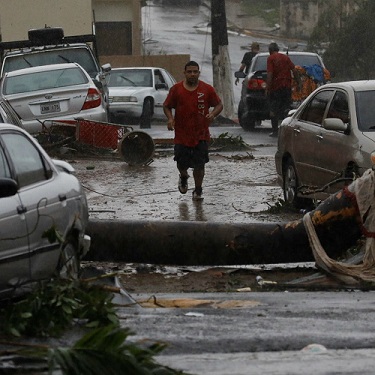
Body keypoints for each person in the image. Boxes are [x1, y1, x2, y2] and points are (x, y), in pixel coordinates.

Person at [163, 61, 223, 201]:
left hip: (201, 133)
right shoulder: (176, 89)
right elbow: (167, 106)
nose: (192, 74)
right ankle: (183, 176)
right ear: (184, 73)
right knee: (181, 162)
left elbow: (219, 104)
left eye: (195, 72)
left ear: (198, 73)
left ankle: (198, 190)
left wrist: (213, 114)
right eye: (189, 72)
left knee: (199, 164)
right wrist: (170, 118)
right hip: (182, 134)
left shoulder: (207, 89)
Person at [265, 42, 300, 137]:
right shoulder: (286, 57)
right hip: (287, 87)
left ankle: (275, 131)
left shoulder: (270, 58)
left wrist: (268, 87)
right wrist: (298, 83)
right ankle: (287, 131)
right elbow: (294, 70)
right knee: (286, 109)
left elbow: (270, 74)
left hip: (276, 88)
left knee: (273, 110)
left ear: (270, 51)